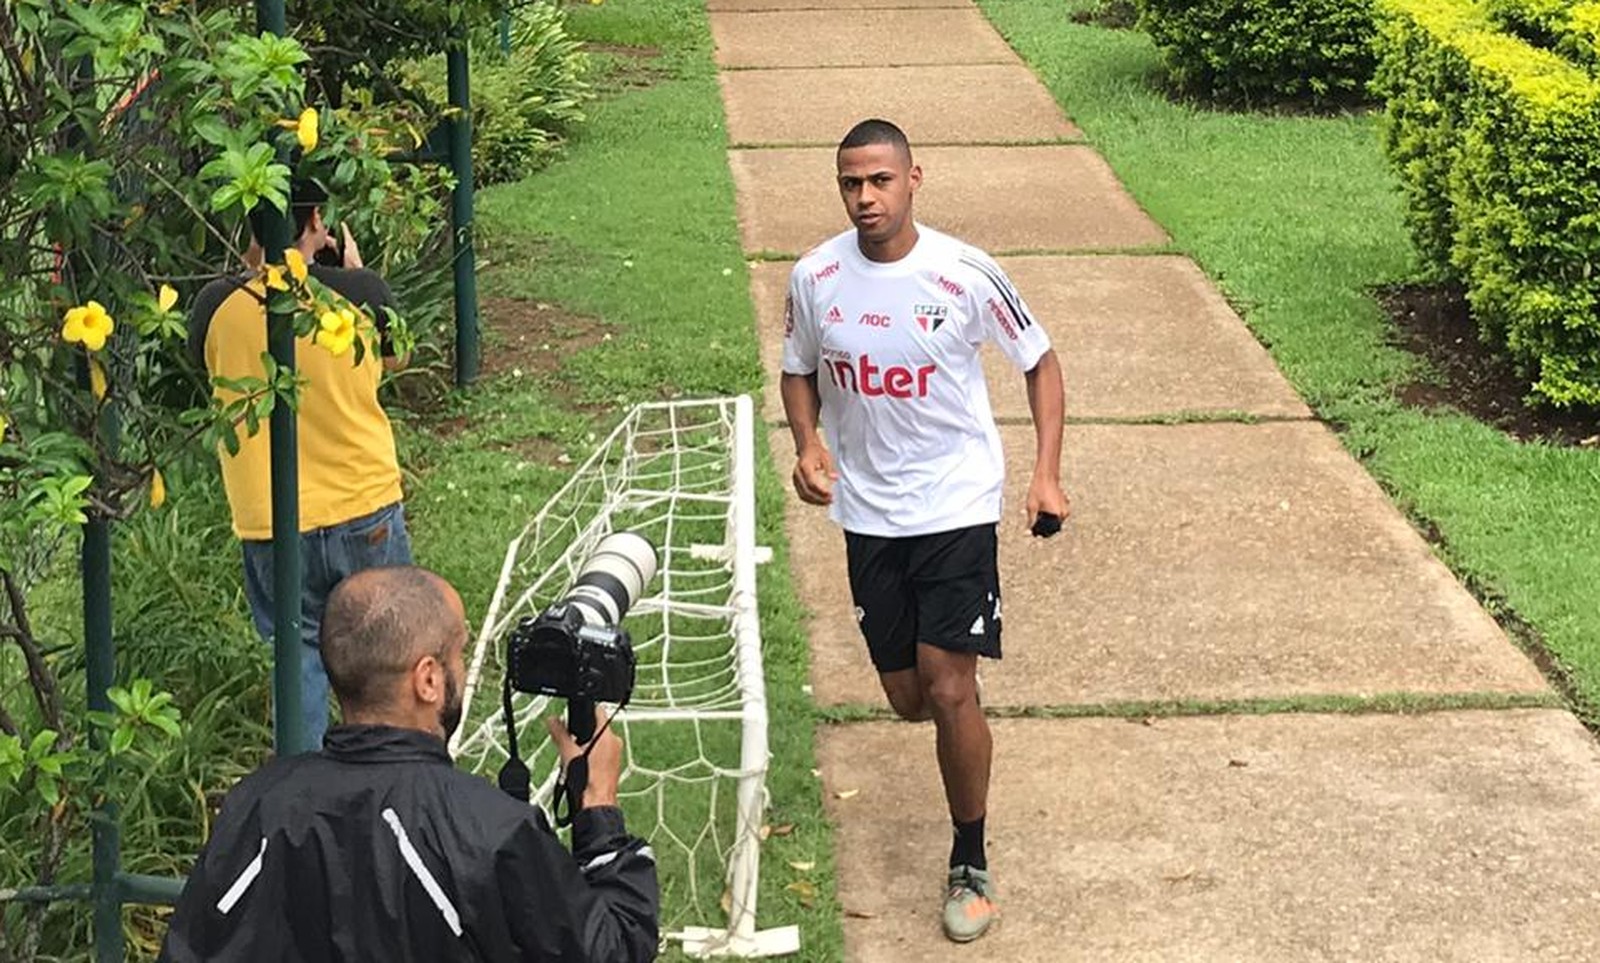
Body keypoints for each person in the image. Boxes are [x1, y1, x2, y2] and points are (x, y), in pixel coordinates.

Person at [779, 118, 1069, 944]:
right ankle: (950, 736)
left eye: (879, 180)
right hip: (868, 514)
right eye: (850, 183)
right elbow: (798, 368)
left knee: (950, 685)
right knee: (909, 699)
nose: (865, 197)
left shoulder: (964, 273)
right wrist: (808, 444)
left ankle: (969, 860)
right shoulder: (816, 276)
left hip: (957, 504)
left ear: (914, 179)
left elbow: (1041, 362)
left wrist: (1045, 473)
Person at [159, 566, 660, 962]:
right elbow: (612, 947)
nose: (464, 671)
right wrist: (599, 812)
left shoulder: (257, 805)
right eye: (458, 654)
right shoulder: (490, 832)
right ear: (428, 680)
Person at [189, 180, 411, 748]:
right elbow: (397, 354)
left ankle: (308, 792)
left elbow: (206, 364)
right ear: (315, 221)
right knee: (387, 653)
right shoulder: (359, 293)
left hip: (270, 519)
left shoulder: (213, 306)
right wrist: (359, 275)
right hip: (364, 504)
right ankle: (396, 777)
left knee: (300, 653)